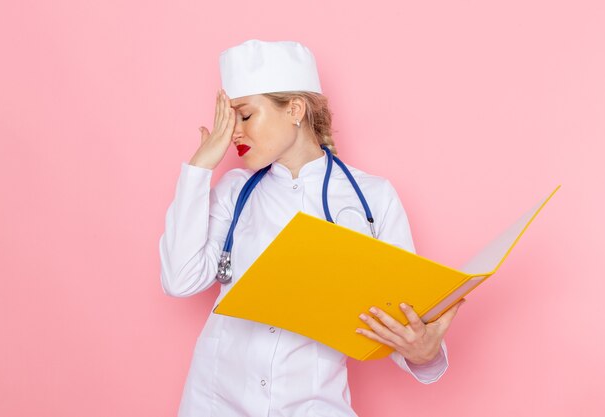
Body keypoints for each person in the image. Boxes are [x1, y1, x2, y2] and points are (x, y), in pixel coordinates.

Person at [159, 39, 464, 417]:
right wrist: (198, 169)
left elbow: (401, 317)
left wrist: (425, 353)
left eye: (245, 116)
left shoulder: (372, 198)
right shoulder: (235, 192)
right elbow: (179, 279)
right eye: (228, 119)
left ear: (295, 110)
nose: (233, 133)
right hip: (216, 403)